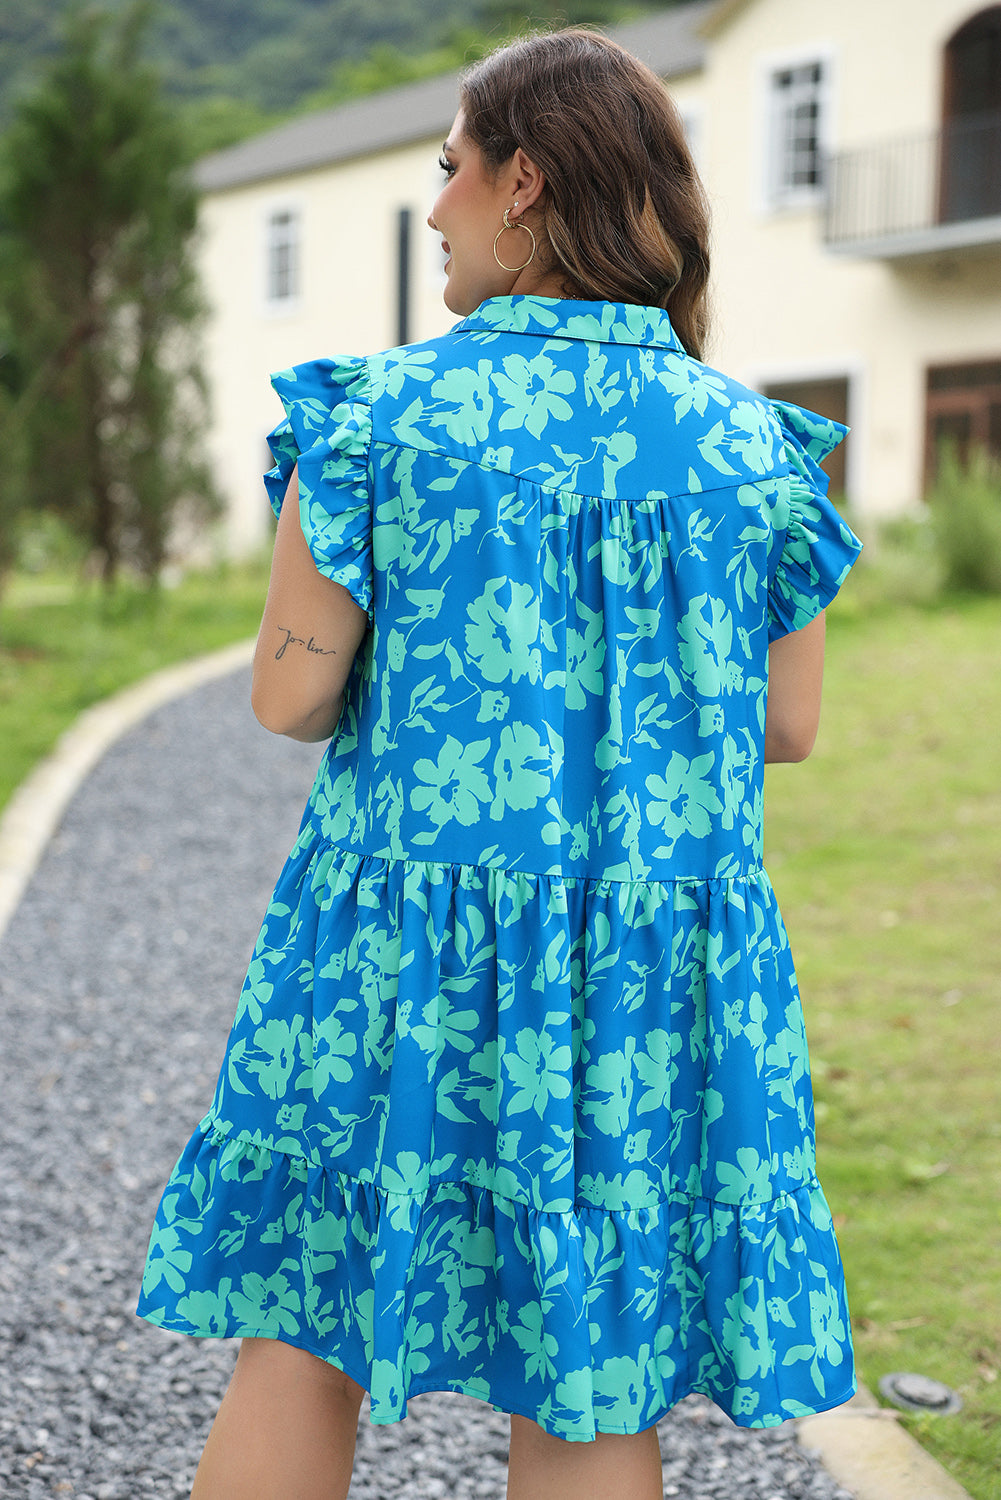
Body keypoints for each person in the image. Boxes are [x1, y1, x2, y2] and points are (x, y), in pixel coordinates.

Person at [137, 27, 862, 1500]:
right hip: (646, 981)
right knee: (591, 1368)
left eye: (448, 167)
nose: (432, 208)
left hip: (397, 952)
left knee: (305, 1323)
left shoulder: (380, 416)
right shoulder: (757, 453)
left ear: (523, 181)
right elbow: (784, 729)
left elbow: (288, 701)